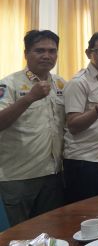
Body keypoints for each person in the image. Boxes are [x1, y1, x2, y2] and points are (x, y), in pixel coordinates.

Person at [0, 30, 65, 226]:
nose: (46, 55)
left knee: (49, 233)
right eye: (39, 50)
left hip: (53, 173)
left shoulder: (61, 84)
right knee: (18, 237)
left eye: (52, 51)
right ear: (26, 53)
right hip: (19, 176)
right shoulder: (9, 84)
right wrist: (29, 98)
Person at [63, 32, 98, 203]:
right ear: (89, 53)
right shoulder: (78, 82)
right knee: (83, 212)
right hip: (83, 159)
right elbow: (73, 125)